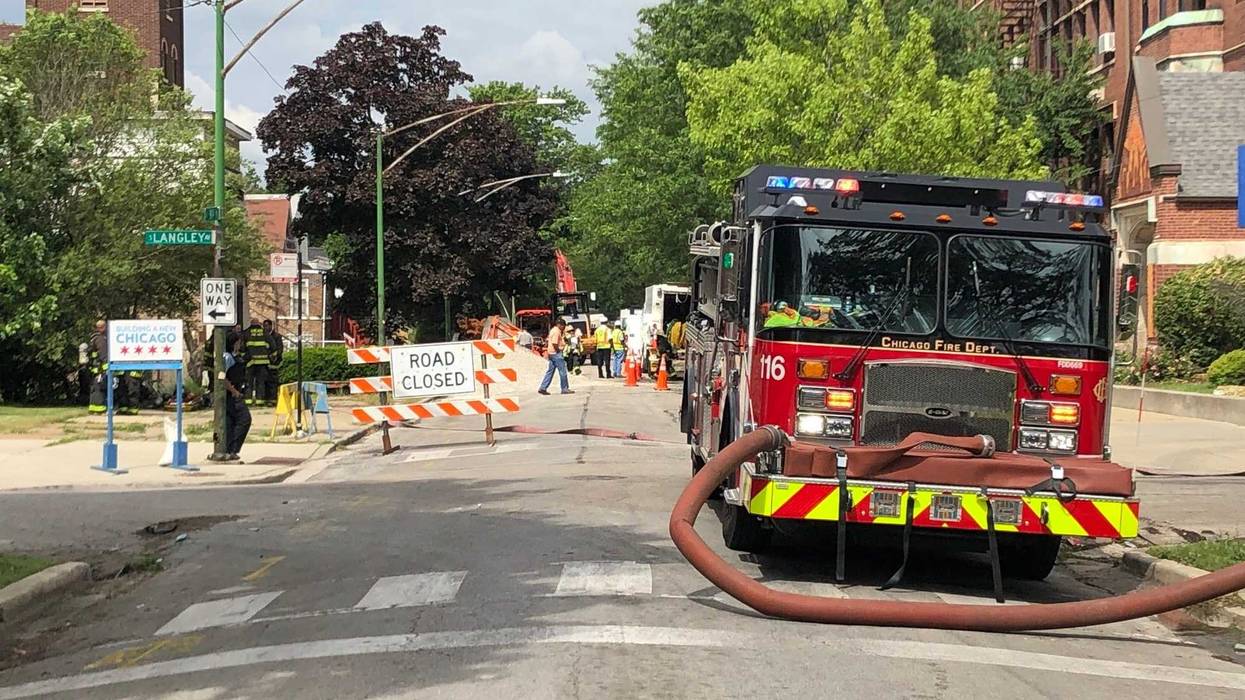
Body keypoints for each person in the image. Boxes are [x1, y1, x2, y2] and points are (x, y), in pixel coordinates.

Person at [222, 336, 251, 461]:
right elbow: (221, 377)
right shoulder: (227, 357)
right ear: (234, 343)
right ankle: (232, 449)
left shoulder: (236, 356)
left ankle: (229, 450)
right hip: (232, 395)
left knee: (231, 422)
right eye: (239, 342)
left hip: (237, 392)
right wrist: (234, 391)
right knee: (245, 419)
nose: (240, 344)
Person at [538, 318, 573, 395]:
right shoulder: (556, 332)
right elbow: (554, 343)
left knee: (550, 371)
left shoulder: (553, 330)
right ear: (560, 325)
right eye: (563, 326)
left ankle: (543, 387)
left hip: (551, 353)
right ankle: (564, 388)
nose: (564, 327)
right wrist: (558, 350)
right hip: (556, 354)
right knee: (562, 371)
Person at [242, 320, 271, 406]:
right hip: (263, 363)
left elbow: (242, 348)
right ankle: (260, 401)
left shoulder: (246, 333)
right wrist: (269, 355)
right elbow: (273, 345)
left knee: (248, 382)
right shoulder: (265, 332)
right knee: (260, 382)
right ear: (259, 324)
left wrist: (244, 357)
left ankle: (248, 401)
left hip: (250, 362)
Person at [86, 320, 109, 415]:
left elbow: (92, 353)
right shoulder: (101, 339)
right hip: (101, 369)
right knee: (100, 388)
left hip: (95, 368)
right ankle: (100, 409)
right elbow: (103, 355)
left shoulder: (94, 338)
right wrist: (106, 368)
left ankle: (93, 408)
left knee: (95, 387)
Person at [264, 320, 283, 407]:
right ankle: (267, 399)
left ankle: (273, 399)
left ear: (271, 326)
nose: (265, 328)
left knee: (273, 382)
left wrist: (273, 356)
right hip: (264, 362)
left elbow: (280, 349)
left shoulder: (277, 336)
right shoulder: (263, 336)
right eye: (264, 326)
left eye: (267, 326)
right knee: (265, 381)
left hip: (274, 363)